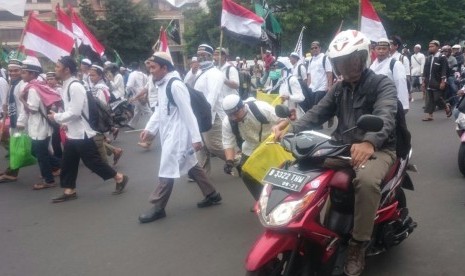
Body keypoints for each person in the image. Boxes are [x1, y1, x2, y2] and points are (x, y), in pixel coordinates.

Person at [272, 30, 397, 276]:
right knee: (302, 165)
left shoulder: (382, 84)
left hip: (379, 148)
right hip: (344, 146)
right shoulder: (339, 88)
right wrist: (291, 127)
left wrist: (370, 141)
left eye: (350, 60)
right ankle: (304, 223)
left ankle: (358, 245)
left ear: (363, 58)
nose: (345, 66)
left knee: (367, 181)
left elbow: (386, 115)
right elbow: (318, 111)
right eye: (339, 62)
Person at [138, 52, 222, 223]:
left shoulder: (175, 85)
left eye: (153, 67)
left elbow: (188, 113)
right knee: (192, 165)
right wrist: (149, 129)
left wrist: (196, 138)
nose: (151, 71)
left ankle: (158, 207)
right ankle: (212, 194)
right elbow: (160, 111)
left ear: (164, 67)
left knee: (167, 169)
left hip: (178, 136)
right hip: (169, 133)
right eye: (150, 68)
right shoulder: (162, 84)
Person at [47, 56, 129, 203]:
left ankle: (119, 177)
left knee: (93, 162)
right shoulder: (66, 85)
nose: (55, 69)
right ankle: (69, 190)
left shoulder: (75, 86)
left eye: (57, 67)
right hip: (73, 133)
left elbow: (75, 112)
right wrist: (64, 122)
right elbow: (72, 111)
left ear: (67, 70)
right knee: (68, 163)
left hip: (82, 133)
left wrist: (57, 117)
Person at [222, 95, 281, 199]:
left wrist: (278, 127)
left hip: (273, 142)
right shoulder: (228, 122)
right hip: (251, 146)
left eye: (236, 113)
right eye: (230, 115)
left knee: (280, 173)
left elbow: (283, 119)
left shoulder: (261, 108)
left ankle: (284, 199)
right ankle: (262, 201)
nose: (234, 118)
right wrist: (229, 161)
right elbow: (228, 142)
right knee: (247, 175)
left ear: (243, 106)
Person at [18, 59, 61, 190]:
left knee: (41, 155)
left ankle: (49, 180)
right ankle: (62, 165)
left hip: (38, 126)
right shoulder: (39, 85)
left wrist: (21, 100)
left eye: (24, 72)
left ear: (32, 74)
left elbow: (33, 108)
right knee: (40, 153)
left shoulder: (32, 89)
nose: (22, 74)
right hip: (42, 126)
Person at [193, 44, 227, 173]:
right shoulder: (201, 72)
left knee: (213, 146)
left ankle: (236, 160)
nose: (200, 57)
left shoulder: (215, 73)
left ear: (211, 56)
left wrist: (205, 116)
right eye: (198, 55)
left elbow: (212, 96)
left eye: (203, 54)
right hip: (199, 115)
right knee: (200, 145)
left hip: (211, 115)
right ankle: (202, 173)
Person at [88, 64, 124, 166]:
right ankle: (114, 151)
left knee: (97, 142)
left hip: (99, 119)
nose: (91, 78)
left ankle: (105, 167)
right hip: (97, 119)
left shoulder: (101, 88)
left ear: (100, 76)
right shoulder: (96, 87)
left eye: (93, 75)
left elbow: (102, 107)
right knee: (96, 141)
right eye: (90, 76)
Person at [0, 59, 27, 183]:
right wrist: (5, 107)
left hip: (20, 122)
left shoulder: (21, 84)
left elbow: (23, 106)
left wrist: (20, 122)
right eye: (10, 71)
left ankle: (55, 165)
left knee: (34, 148)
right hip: (13, 120)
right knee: (15, 147)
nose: (12, 73)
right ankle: (11, 172)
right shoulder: (12, 83)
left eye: (16, 70)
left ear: (21, 71)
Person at [370, 38, 410, 112]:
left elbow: (400, 84)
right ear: (375, 50)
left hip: (390, 103)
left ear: (389, 50)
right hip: (374, 103)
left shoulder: (395, 64)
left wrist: (403, 106)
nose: (381, 51)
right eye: (379, 49)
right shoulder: (372, 66)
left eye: (384, 49)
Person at [422, 40, 450, 121]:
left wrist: (443, 81)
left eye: (432, 46)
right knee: (430, 98)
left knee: (437, 98)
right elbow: (425, 70)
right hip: (429, 81)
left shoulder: (442, 57)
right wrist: (423, 82)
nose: (430, 48)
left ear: (437, 47)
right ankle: (430, 115)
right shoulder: (429, 58)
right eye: (429, 46)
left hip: (438, 81)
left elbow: (444, 70)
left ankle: (446, 107)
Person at [307, 41, 334, 108]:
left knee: (318, 107)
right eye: (312, 48)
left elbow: (329, 73)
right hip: (312, 88)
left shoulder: (324, 58)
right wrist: (308, 86)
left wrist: (329, 86)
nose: (314, 49)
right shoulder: (311, 60)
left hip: (322, 88)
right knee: (312, 107)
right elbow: (309, 74)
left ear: (319, 48)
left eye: (316, 47)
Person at [127, 61, 152, 130]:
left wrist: (130, 95)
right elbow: (148, 85)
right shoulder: (144, 75)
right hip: (143, 94)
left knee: (147, 110)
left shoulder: (132, 74)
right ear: (139, 67)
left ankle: (155, 123)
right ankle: (131, 124)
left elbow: (129, 86)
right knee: (137, 110)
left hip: (137, 95)